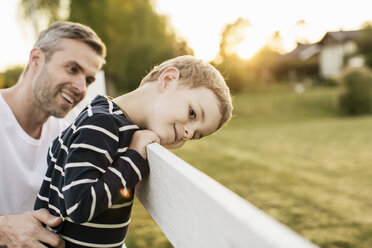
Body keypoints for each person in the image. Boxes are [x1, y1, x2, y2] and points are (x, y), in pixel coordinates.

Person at [34, 55, 233, 247]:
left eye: (197, 135)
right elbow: (78, 205)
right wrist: (134, 157)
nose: (189, 133)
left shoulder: (105, 117)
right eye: (192, 113)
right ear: (168, 80)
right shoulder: (102, 124)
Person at [0, 21, 106, 248]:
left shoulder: (65, 137)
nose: (81, 88)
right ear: (37, 60)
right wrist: (4, 229)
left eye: (88, 79)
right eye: (72, 69)